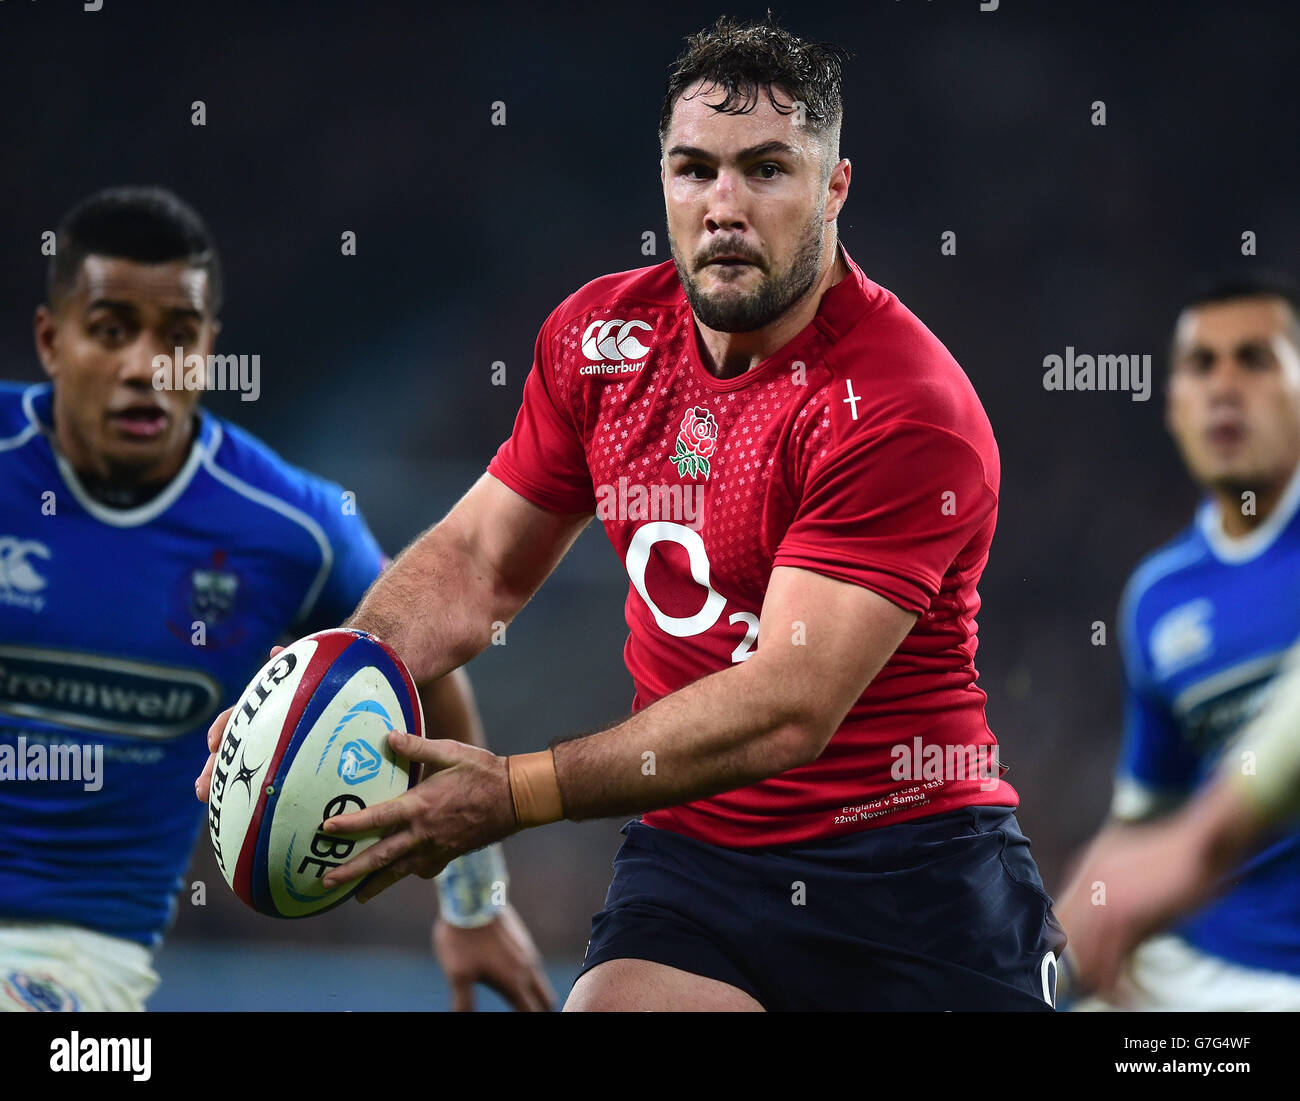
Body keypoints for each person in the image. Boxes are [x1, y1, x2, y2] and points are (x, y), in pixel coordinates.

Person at [201, 14, 1066, 1012]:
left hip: (913, 878)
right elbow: (479, 564)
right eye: (694, 169)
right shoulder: (600, 341)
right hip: (699, 859)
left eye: (767, 170)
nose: (723, 205)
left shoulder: (903, 406)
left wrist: (514, 794)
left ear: (833, 189)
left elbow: (790, 704)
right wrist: (321, 687)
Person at [0, 186, 552, 1012]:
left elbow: (429, 675)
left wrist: (473, 903)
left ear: (210, 347)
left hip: (75, 956)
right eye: (112, 331)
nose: (146, 365)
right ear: (51, 339)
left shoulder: (292, 526)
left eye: (178, 337)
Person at [1056, 276, 1300, 1010]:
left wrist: (1200, 841)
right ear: (1172, 406)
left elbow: (1189, 842)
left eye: (1255, 359)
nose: (1225, 385)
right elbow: (1143, 824)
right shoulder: (1159, 599)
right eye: (1202, 365)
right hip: (1195, 964)